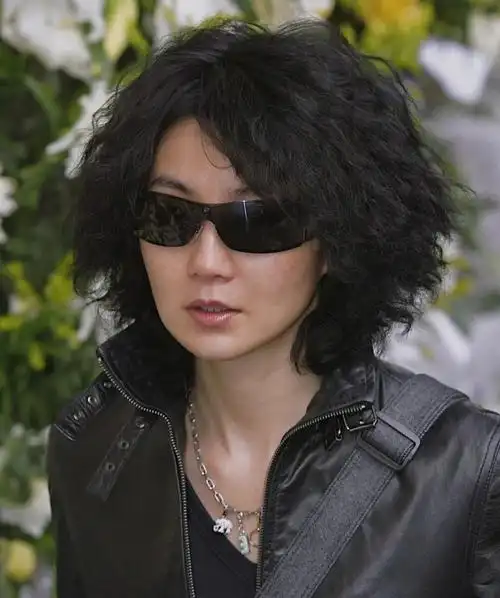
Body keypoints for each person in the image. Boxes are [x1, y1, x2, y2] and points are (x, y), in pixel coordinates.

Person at [47, 18, 500, 598]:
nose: (206, 261)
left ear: (336, 241)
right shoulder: (95, 453)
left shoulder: (464, 473)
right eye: (170, 216)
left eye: (257, 220)